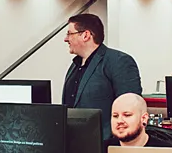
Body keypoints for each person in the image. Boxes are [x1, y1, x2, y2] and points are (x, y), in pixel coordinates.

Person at [60, 13, 142, 141]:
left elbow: (130, 107)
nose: (66, 39)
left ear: (85, 35)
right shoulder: (75, 66)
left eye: (70, 33)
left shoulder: (118, 61)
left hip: (105, 146)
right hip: (74, 144)